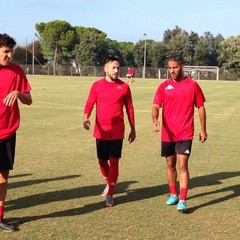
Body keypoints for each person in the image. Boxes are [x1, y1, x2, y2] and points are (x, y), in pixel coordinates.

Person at [151, 53, 207, 212]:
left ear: (182, 66)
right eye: (169, 68)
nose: (172, 71)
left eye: (175, 67)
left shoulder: (192, 85)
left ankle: (183, 199)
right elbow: (155, 106)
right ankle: (173, 194)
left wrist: (203, 129)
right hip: (167, 133)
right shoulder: (163, 86)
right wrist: (155, 120)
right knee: (170, 164)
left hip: (185, 132)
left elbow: (201, 107)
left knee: (182, 164)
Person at [83, 55, 136, 207]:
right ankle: (109, 182)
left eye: (118, 68)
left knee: (114, 161)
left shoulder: (124, 87)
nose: (116, 71)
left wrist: (133, 129)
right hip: (101, 131)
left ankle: (110, 194)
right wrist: (86, 118)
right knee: (101, 160)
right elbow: (89, 104)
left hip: (117, 131)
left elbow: (130, 109)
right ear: (105, 68)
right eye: (113, 68)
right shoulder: (96, 86)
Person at [0, 33, 32, 231]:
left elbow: (29, 99)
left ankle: (0, 216)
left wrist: (18, 93)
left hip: (8, 132)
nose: (9, 56)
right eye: (5, 52)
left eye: (10, 52)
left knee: (3, 175)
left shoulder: (17, 71)